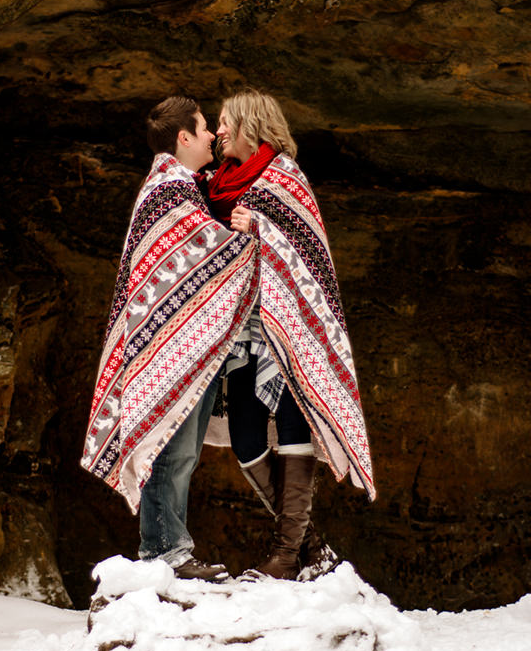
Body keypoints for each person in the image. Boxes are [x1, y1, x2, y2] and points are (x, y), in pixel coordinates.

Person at [81, 96, 257, 581]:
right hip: (167, 347)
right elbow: (203, 254)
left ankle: (170, 548)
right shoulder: (168, 190)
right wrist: (252, 239)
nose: (211, 137)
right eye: (203, 129)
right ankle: (164, 553)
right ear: (183, 137)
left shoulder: (185, 189)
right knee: (171, 448)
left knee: (182, 450)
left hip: (180, 343)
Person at [211, 88, 375, 579]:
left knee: (292, 430)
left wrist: (259, 225)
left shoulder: (284, 177)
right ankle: (311, 545)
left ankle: (285, 554)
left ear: (247, 123)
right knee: (244, 437)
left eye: (224, 122)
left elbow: (311, 252)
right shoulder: (218, 183)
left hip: (290, 329)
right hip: (243, 333)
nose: (218, 131)